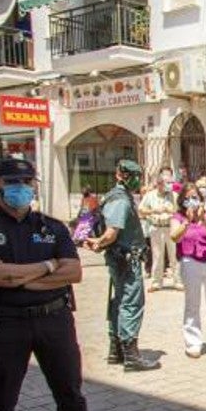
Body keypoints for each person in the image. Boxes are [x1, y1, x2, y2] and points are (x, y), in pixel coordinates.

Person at [0, 159, 113, 411]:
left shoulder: (51, 227)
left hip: (54, 321)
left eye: (28, 181)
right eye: (14, 181)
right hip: (5, 324)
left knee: (70, 393)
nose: (22, 188)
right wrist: (48, 268)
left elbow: (73, 272)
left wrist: (19, 275)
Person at [84, 159, 158, 371]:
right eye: (131, 175)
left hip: (121, 258)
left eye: (137, 175)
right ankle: (130, 354)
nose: (135, 180)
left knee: (119, 302)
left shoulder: (118, 196)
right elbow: (111, 233)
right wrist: (99, 242)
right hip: (126, 260)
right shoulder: (121, 200)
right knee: (130, 303)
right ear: (120, 175)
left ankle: (116, 350)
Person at [171, 183, 206, 358]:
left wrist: (205, 220)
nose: (191, 201)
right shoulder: (178, 216)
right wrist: (187, 221)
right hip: (189, 261)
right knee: (192, 303)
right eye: (187, 198)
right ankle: (193, 342)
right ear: (182, 200)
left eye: (195, 197)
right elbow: (174, 236)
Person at [139, 167, 180, 292]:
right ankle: (157, 282)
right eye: (163, 182)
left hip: (171, 226)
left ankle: (178, 281)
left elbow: (180, 210)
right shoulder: (150, 195)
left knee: (175, 255)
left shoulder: (174, 195)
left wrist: (171, 211)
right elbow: (141, 210)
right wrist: (153, 211)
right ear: (158, 183)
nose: (166, 185)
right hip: (156, 227)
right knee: (157, 256)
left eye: (168, 182)